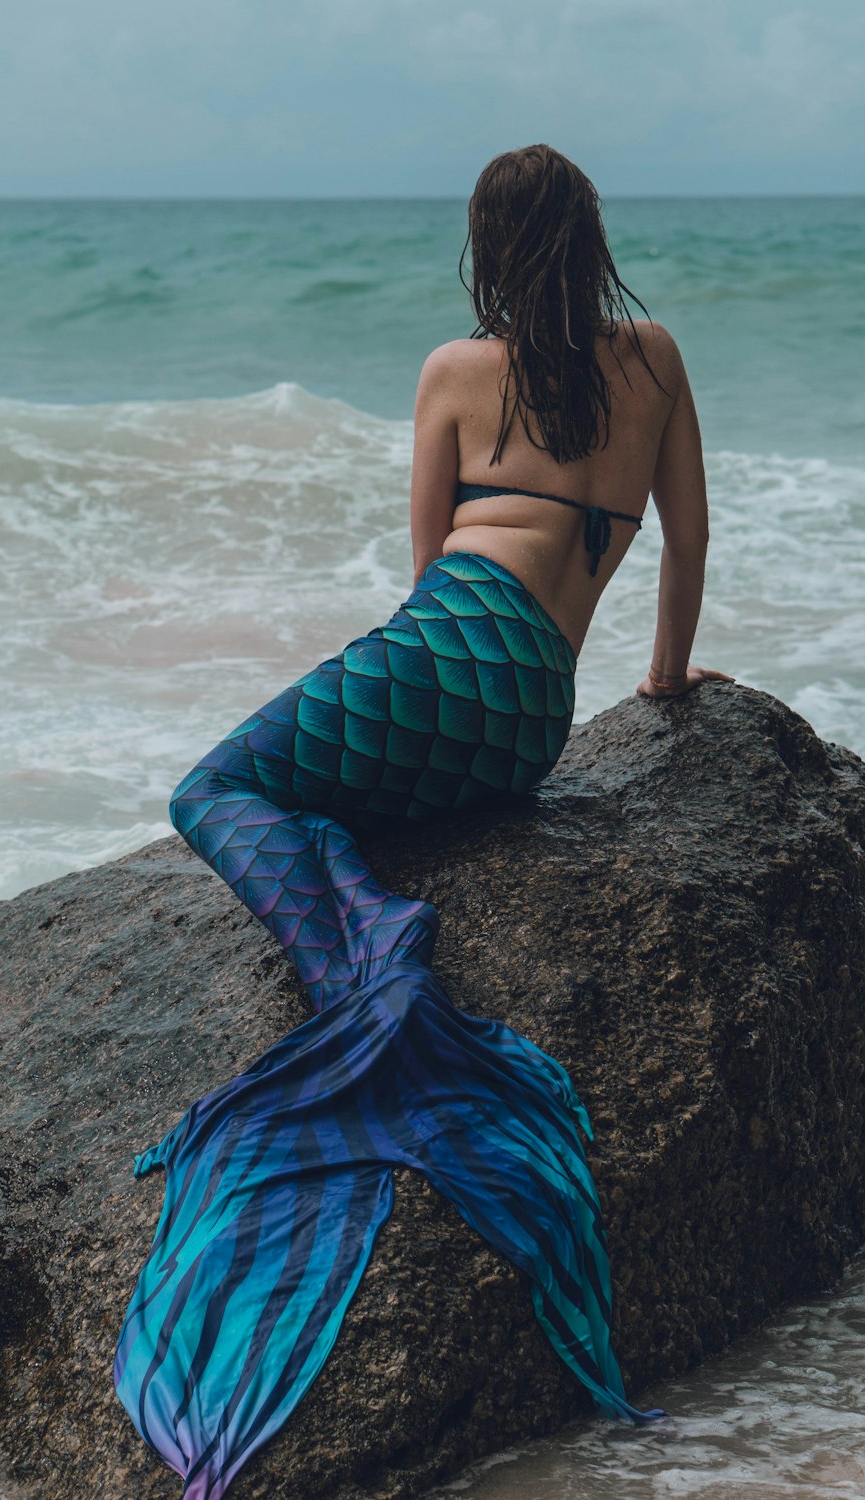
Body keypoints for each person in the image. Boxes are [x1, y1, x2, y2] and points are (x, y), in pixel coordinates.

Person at [114, 145, 731, 1500]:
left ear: (489, 249)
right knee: (318, 797)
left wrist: (401, 695)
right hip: (530, 725)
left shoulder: (458, 370)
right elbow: (688, 536)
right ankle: (366, 913)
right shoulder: (660, 355)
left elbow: (421, 580)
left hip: (447, 655)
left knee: (212, 790)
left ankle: (372, 970)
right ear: (590, 236)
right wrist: (669, 678)